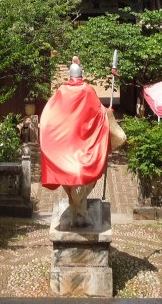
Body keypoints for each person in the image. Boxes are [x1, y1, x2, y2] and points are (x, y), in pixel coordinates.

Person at [39, 56, 111, 227]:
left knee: (79, 178)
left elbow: (51, 112)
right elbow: (99, 112)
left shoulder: (61, 91)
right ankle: (80, 213)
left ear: (69, 75)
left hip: (73, 146)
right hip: (75, 146)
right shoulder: (88, 90)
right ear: (82, 75)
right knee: (78, 177)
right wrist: (107, 113)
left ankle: (77, 210)